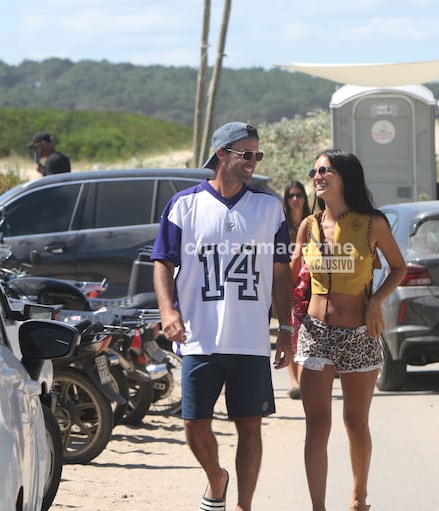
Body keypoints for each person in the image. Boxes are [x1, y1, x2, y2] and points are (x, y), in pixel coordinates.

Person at [151, 121, 293, 511]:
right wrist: (168, 311)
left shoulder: (268, 208)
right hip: (199, 336)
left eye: (257, 155)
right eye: (245, 154)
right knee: (194, 425)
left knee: (250, 426)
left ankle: (244, 506)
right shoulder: (184, 206)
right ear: (221, 154)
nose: (252, 161)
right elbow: (162, 261)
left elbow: (281, 271)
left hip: (249, 340)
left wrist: (286, 328)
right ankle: (217, 477)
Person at [290, 149, 407, 511]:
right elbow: (290, 274)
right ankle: (318, 508)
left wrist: (377, 302)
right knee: (317, 425)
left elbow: (399, 268)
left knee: (355, 422)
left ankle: (359, 497)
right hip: (316, 334)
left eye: (325, 169)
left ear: (344, 176)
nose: (317, 176)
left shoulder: (373, 223)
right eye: (314, 171)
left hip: (359, 333)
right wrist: (282, 323)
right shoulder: (308, 226)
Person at [283, 180, 311, 400]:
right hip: (287, 282)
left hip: (310, 283)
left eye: (299, 195)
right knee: (290, 329)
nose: (295, 199)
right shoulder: (281, 225)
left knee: (308, 332)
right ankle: (294, 381)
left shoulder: (313, 223)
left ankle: (304, 379)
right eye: (291, 195)